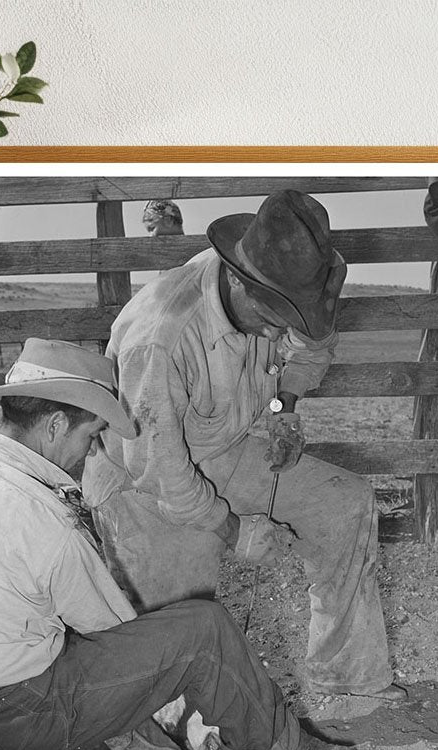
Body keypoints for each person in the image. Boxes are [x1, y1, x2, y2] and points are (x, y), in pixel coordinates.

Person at [0, 339, 354, 750]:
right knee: (202, 628)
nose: (92, 449)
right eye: (91, 433)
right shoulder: (45, 519)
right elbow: (114, 631)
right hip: (23, 705)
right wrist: (188, 711)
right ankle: (281, 749)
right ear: (53, 426)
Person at [83, 190, 395, 701]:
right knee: (187, 618)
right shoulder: (159, 336)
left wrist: (285, 408)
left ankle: (348, 682)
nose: (280, 331)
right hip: (142, 486)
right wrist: (232, 530)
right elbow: (163, 473)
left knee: (346, 504)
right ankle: (168, 721)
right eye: (273, 316)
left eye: (292, 317)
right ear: (235, 278)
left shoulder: (294, 270)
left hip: (223, 445)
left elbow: (313, 342)